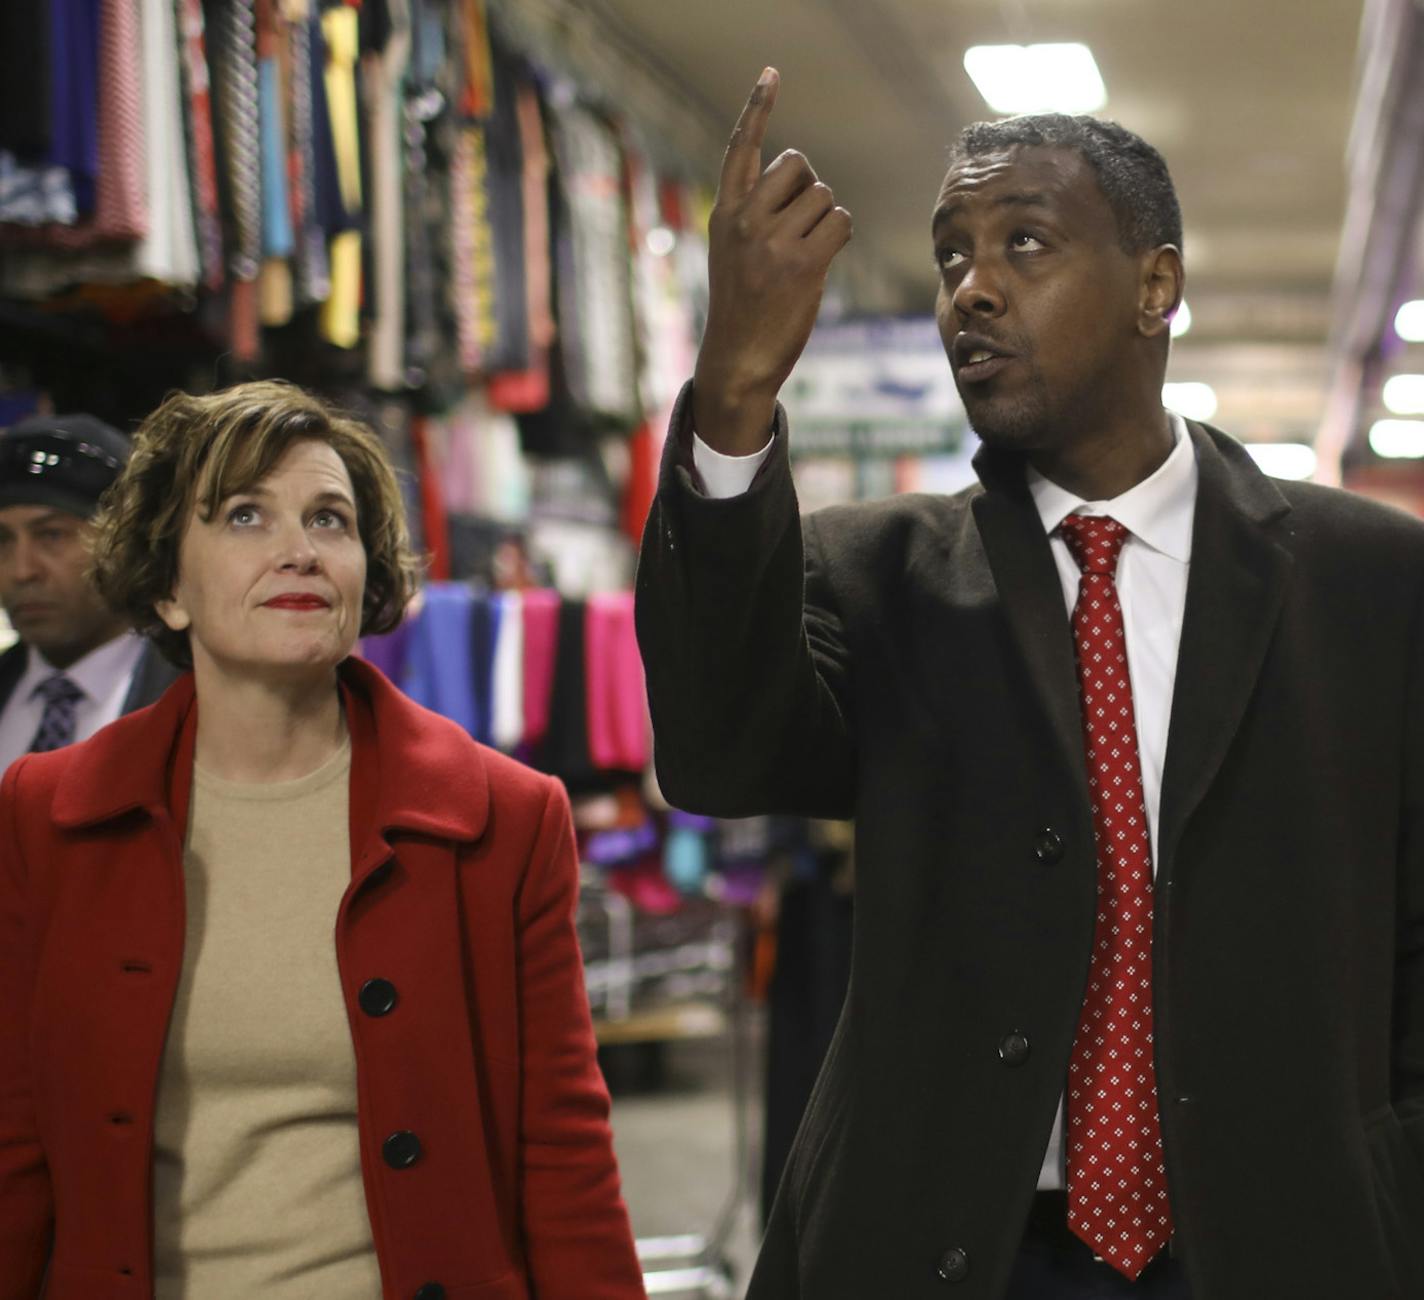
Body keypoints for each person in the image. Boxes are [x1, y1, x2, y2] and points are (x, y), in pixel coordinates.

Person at [635, 68, 1424, 1300]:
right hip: (957, 1242)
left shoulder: (1372, 582)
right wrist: (732, 399)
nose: (971, 291)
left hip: (1274, 1240)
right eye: (949, 256)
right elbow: (717, 754)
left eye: (1022, 243)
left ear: (1154, 286)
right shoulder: (874, 572)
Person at [0, 380, 644, 1299]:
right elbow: (15, 1143)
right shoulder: (46, 813)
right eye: (245, 516)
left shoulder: (503, 819)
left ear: (365, 577)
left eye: (330, 520)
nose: (299, 551)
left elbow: (564, 1151)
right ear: (170, 589)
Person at [0, 412, 180, 767]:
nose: (23, 570)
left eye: (52, 535)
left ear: (126, 542)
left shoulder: (197, 699)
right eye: (2, 541)